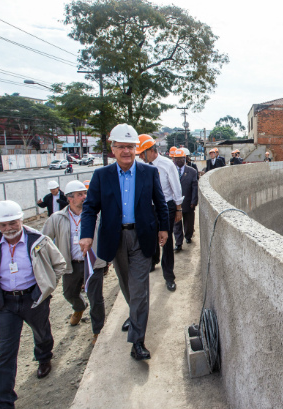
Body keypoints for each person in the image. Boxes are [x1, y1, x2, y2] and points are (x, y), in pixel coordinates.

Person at [80, 124, 170, 361]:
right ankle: (135, 314)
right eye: (121, 147)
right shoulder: (102, 176)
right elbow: (89, 208)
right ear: (113, 148)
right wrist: (86, 234)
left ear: (136, 149)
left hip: (142, 236)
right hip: (115, 238)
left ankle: (137, 341)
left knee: (140, 288)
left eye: (130, 147)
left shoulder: (149, 173)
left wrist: (163, 228)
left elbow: (160, 203)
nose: (126, 151)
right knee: (127, 284)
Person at [0, 200, 66, 409]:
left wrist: (44, 288)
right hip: (5, 304)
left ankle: (44, 357)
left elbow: (59, 264)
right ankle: (4, 401)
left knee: (41, 332)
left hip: (33, 299)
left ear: (20, 220)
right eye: (3, 225)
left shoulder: (39, 241)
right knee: (6, 351)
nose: (8, 228)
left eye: (12, 223)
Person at [42, 180, 107, 345]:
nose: (84, 197)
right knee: (69, 293)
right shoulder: (57, 218)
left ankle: (98, 331)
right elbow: (44, 240)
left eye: (84, 193)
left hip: (92, 263)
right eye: (79, 195)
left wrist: (107, 259)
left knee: (96, 298)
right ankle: (79, 307)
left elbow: (107, 235)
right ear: (69, 198)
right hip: (71, 263)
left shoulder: (97, 214)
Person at [136, 134, 183, 291]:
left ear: (151, 150)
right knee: (151, 237)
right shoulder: (140, 166)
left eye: (143, 153)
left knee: (167, 242)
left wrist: (178, 209)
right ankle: (153, 261)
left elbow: (176, 187)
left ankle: (169, 276)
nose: (141, 157)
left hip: (166, 206)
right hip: (148, 208)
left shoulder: (166, 164)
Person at [172, 148, 198, 252]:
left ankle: (188, 236)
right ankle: (178, 243)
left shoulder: (192, 171)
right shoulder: (171, 170)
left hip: (188, 202)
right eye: (176, 159)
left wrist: (194, 201)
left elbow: (195, 187)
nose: (178, 161)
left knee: (188, 222)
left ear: (185, 159)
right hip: (174, 203)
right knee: (176, 224)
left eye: (181, 159)